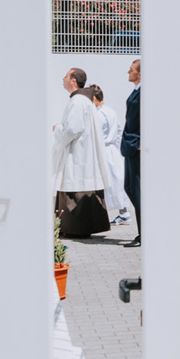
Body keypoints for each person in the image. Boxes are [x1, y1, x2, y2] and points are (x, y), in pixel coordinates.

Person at [52, 68, 111, 238]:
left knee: (75, 185)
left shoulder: (78, 101)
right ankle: (75, 227)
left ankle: (75, 228)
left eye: (66, 76)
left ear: (74, 81)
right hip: (81, 150)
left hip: (77, 153)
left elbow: (73, 129)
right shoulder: (82, 100)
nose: (63, 78)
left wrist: (57, 130)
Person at [87, 84, 132, 225]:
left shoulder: (99, 115)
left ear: (94, 98)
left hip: (104, 151)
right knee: (117, 183)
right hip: (113, 150)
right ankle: (124, 213)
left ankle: (101, 215)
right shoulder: (111, 111)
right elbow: (119, 131)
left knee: (105, 183)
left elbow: (94, 135)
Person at [120, 59, 141, 247]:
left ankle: (144, 233)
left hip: (135, 146)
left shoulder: (145, 93)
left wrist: (141, 142)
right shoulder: (136, 91)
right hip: (130, 146)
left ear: (140, 73)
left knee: (137, 190)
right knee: (128, 187)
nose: (128, 72)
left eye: (131, 70)